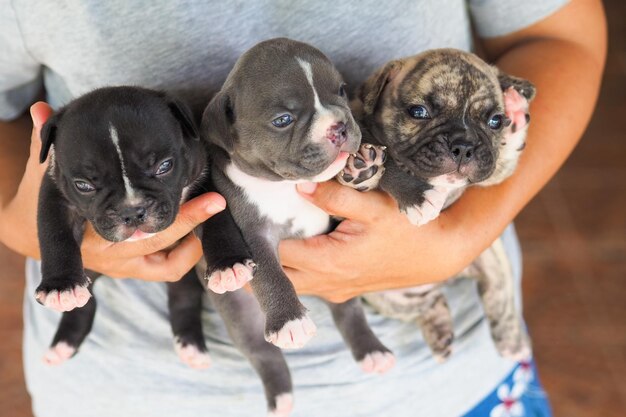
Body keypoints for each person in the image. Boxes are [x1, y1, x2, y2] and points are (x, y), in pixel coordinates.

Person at [0, 1, 606, 416]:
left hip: (435, 383)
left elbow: (560, 35)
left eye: (342, 95)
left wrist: (459, 236)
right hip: (131, 389)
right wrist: (33, 229)